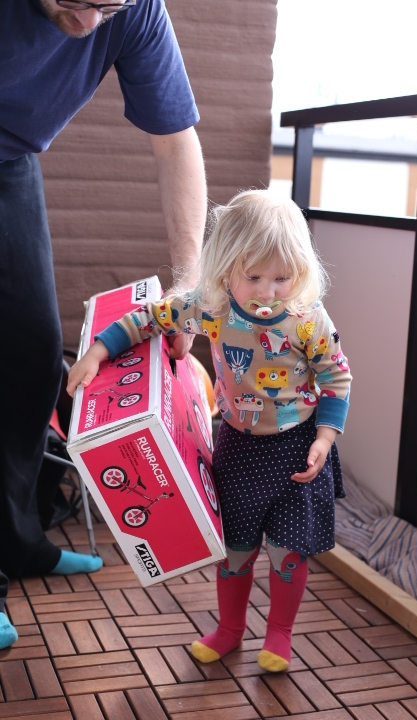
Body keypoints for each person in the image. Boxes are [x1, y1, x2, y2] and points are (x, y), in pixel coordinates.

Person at [67, 189, 352, 672]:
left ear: (301, 272)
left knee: (288, 553)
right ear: (225, 268)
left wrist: (325, 438)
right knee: (234, 549)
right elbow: (148, 318)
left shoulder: (309, 320)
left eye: (282, 278)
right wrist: (97, 352)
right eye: (253, 277)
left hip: (298, 449)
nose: (268, 292)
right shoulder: (209, 307)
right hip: (238, 447)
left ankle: (279, 634)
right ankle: (230, 629)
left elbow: (336, 378)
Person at [0, 0, 206, 649]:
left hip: (10, 162)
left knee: (33, 359)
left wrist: (188, 285)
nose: (90, 23)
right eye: (72, 1)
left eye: (105, 6)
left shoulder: (138, 11)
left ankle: (18, 541)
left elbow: (175, 140)